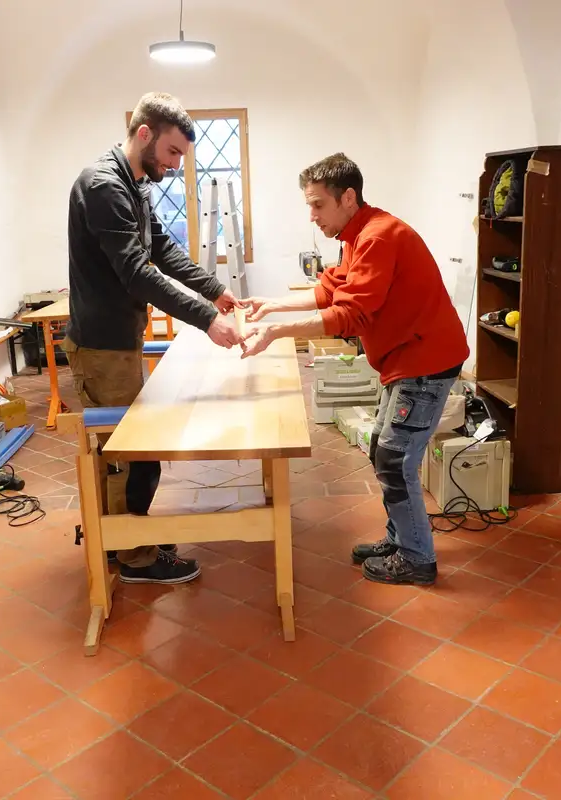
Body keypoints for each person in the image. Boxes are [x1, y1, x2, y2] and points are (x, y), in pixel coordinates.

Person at [241, 153, 469, 586]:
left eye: (318, 205)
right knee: (384, 449)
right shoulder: (357, 234)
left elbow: (352, 314)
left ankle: (417, 558)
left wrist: (277, 331)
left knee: (395, 459)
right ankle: (401, 539)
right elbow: (332, 290)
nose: (312, 216)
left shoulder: (378, 236)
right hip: (405, 360)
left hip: (424, 362)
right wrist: (271, 305)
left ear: (348, 198)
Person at [63, 91, 246, 585]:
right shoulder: (103, 186)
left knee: (133, 450)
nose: (176, 164)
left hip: (118, 341)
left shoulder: (135, 184)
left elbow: (161, 248)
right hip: (101, 347)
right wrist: (207, 319)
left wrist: (215, 289)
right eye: (172, 152)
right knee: (126, 455)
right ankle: (135, 556)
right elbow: (138, 273)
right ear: (144, 133)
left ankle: (126, 536)